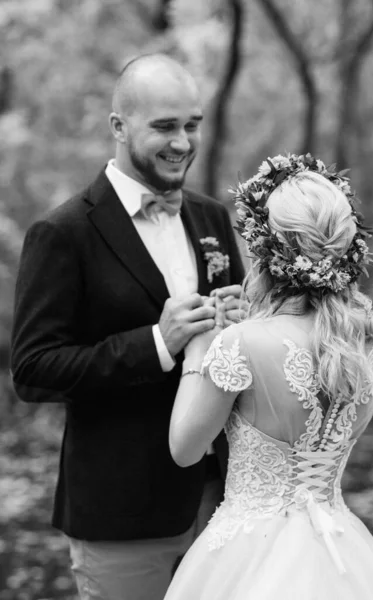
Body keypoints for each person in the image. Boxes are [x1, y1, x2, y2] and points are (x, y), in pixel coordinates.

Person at [10, 54, 245, 600]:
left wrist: (241, 324)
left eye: (192, 124)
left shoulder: (211, 217)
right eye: (164, 126)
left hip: (225, 501)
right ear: (118, 127)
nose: (183, 142)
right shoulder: (63, 232)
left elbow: (230, 351)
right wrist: (158, 343)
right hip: (122, 513)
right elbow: (32, 369)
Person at [165, 153, 373, 600]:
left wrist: (199, 349)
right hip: (342, 553)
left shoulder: (243, 344)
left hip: (246, 555)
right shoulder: (367, 340)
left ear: (266, 250)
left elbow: (184, 449)